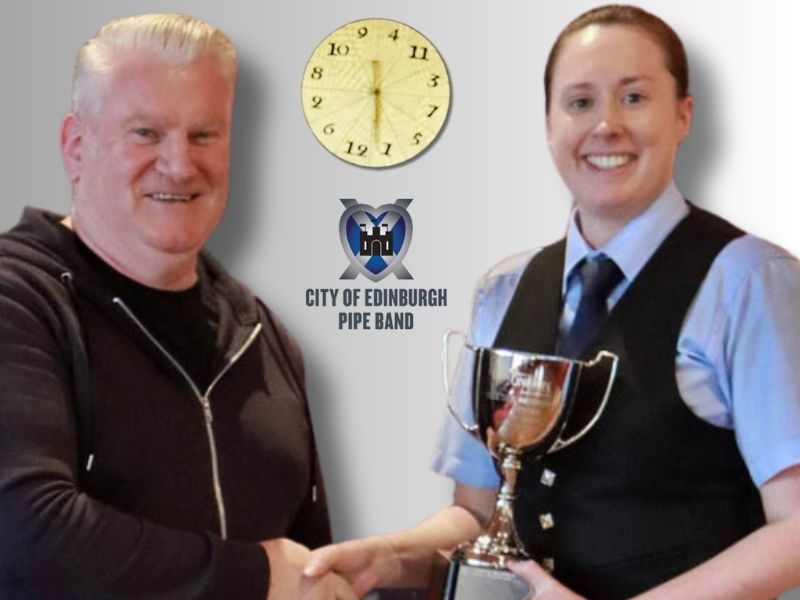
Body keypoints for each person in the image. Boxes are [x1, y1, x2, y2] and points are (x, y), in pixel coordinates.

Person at [304, 5, 800, 599]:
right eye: (579, 102)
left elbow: (795, 528)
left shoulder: (751, 282)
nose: (606, 125)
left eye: (634, 98)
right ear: (548, 124)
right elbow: (479, 514)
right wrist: (388, 557)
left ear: (683, 115)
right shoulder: (504, 289)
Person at [0, 13, 356, 600]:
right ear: (76, 147)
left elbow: (311, 570)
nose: (180, 164)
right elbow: (23, 535)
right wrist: (256, 575)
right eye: (146, 133)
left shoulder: (262, 333)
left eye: (204, 135)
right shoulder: (20, 301)